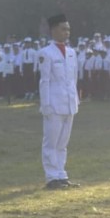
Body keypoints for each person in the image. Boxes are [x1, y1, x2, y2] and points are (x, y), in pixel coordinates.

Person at [39, 13, 80, 189]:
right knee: (51, 142)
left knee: (63, 143)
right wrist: (45, 104)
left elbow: (74, 78)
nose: (67, 32)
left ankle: (61, 174)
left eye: (68, 29)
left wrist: (76, 99)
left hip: (69, 102)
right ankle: (51, 177)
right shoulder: (45, 53)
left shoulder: (71, 53)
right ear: (53, 30)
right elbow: (45, 80)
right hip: (54, 104)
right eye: (63, 29)